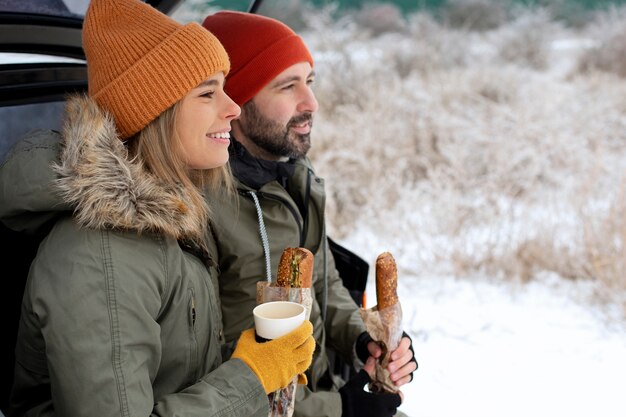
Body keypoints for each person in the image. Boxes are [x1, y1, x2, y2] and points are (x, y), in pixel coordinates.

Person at [0, 1, 315, 416]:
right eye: (208, 93)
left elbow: (179, 370)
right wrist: (251, 377)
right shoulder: (100, 256)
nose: (233, 107)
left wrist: (257, 359)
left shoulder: (171, 220)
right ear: (154, 114)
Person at [201, 11, 418, 417]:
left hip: (319, 389)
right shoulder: (205, 204)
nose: (311, 103)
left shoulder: (296, 180)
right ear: (236, 100)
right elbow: (216, 363)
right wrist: (339, 409)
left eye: (310, 81)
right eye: (288, 86)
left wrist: (362, 340)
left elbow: (325, 281)